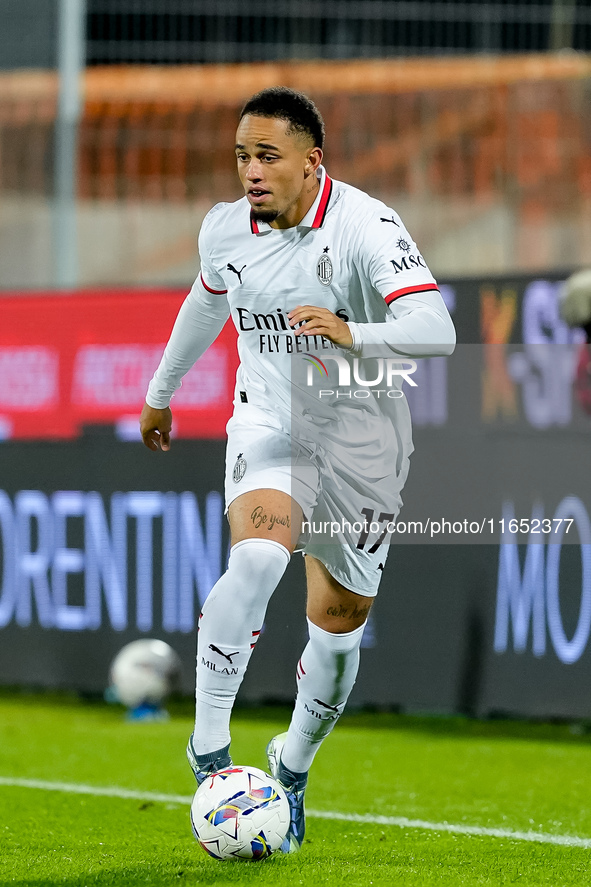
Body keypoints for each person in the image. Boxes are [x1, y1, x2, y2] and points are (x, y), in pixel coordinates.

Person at [140, 87, 455, 853]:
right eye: (243, 155)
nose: (251, 170)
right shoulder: (225, 229)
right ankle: (209, 750)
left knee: (339, 632)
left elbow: (436, 330)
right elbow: (204, 304)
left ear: (312, 162)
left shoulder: (364, 225)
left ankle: (292, 763)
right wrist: (159, 393)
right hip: (269, 423)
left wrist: (354, 332)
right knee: (255, 556)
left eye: (267, 156)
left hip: (360, 443)